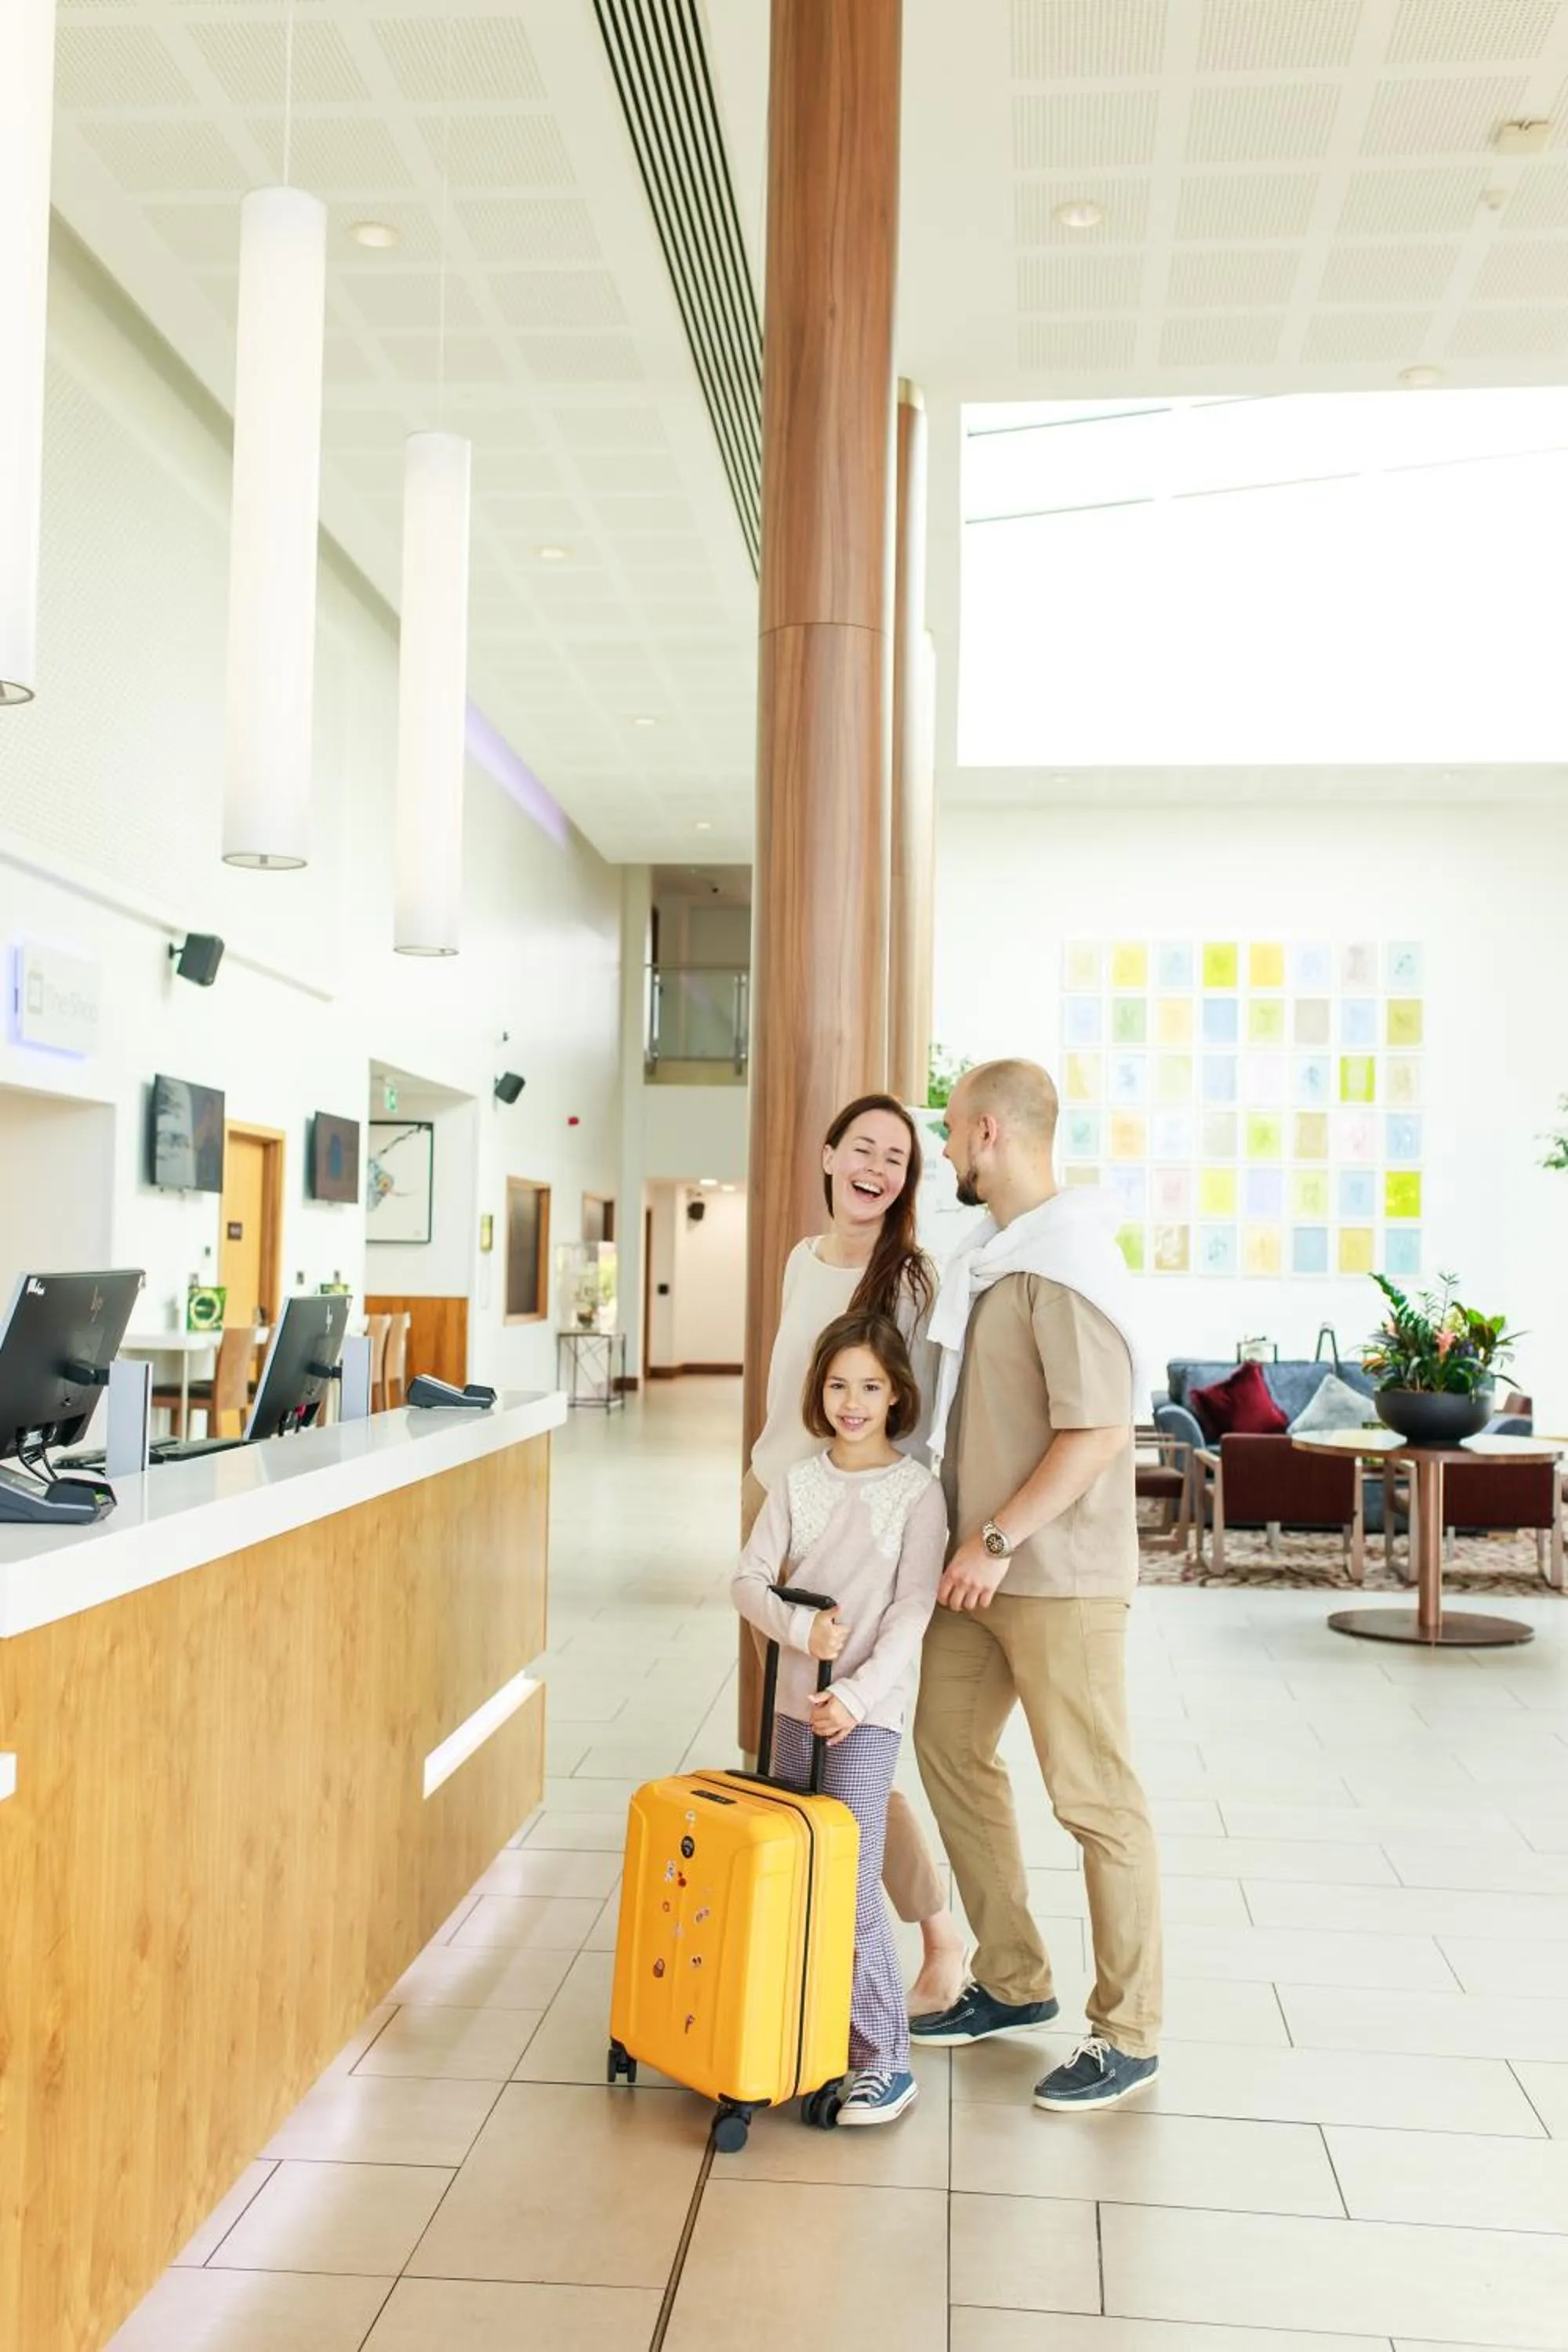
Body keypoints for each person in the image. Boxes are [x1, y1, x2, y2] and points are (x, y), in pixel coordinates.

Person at [909, 1058, 1164, 2113]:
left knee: (1094, 1798)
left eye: (948, 1133)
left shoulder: (1064, 1263)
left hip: (1051, 1574)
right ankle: (1012, 1983)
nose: (944, 1152)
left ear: (982, 1134)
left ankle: (1130, 2032)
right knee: (944, 1746)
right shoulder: (993, 1257)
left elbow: (1100, 1431)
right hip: (980, 1569)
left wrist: (998, 1538)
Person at [742, 1091, 966, 2016]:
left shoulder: (907, 1276)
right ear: (828, 1153)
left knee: (850, 1742)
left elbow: (906, 1417)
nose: (877, 1168)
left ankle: (937, 1933)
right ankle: (811, 1949)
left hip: (858, 1536)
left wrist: (881, 1532)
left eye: (897, 1159)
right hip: (780, 1513)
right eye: (863, 1148)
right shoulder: (803, 1259)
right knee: (785, 1740)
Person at [734, 1310, 947, 2125]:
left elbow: (912, 1608)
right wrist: (798, 1630)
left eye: (868, 1386)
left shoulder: (917, 1492)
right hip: (790, 1706)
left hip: (866, 1716)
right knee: (797, 1873)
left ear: (896, 1395)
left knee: (852, 1882)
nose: (851, 1402)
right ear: (818, 1394)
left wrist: (854, 1697)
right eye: (836, 1386)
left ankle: (883, 2059)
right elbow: (748, 1580)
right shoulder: (798, 1482)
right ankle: (809, 2039)